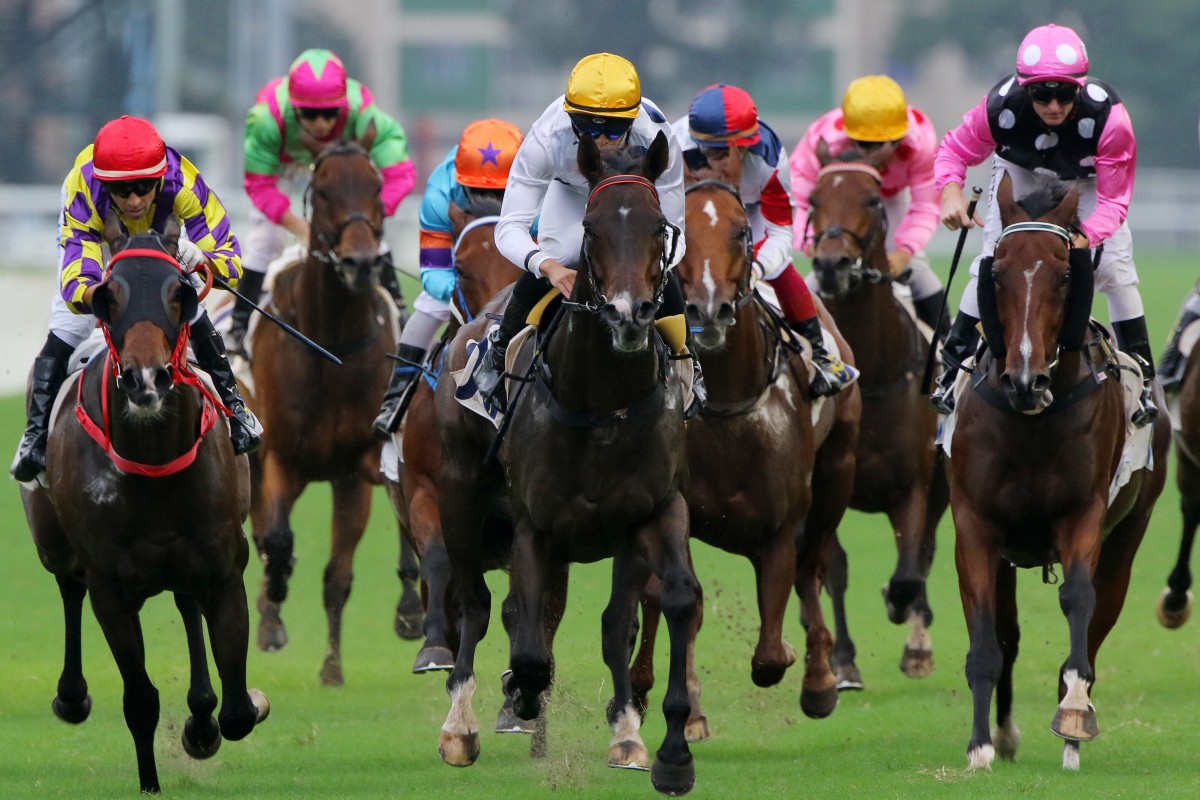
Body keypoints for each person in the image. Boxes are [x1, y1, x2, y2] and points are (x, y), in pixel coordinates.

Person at [10, 115, 260, 482]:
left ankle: (236, 411)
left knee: (192, 311)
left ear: (160, 178)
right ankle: (35, 436)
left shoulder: (185, 185)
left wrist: (201, 261)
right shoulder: (83, 187)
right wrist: (108, 296)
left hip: (162, 255)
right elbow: (76, 279)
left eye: (144, 187)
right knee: (68, 325)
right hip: (104, 258)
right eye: (122, 190)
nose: (134, 200)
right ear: (104, 184)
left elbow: (231, 263)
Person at [932, 23, 1158, 426]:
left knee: (1114, 268)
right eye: (1041, 94)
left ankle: (1143, 380)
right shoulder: (1000, 107)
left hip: (1087, 181)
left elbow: (1113, 203)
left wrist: (1082, 237)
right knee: (994, 258)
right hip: (1019, 169)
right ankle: (952, 369)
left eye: (1065, 93)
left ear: (1080, 88)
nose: (1054, 106)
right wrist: (950, 191)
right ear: (1025, 89)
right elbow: (953, 151)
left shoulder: (1110, 118)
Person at [475, 52, 702, 414]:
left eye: (613, 130)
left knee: (653, 257)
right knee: (565, 253)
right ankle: (499, 349)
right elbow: (510, 228)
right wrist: (547, 266)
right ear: (570, 119)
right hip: (572, 192)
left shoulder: (657, 135)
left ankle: (687, 358)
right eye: (588, 127)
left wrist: (646, 259)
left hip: (632, 197)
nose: (600, 140)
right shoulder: (546, 138)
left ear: (633, 120)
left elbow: (675, 230)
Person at [677, 83, 857, 395]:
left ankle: (821, 354)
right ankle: (676, 340)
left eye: (729, 153)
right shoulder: (674, 148)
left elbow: (779, 232)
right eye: (712, 153)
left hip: (752, 212)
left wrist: (757, 269)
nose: (719, 164)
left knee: (778, 266)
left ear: (745, 146)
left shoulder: (770, 160)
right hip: (693, 211)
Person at [235, 48, 416, 352]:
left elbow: (400, 175)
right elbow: (260, 185)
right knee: (267, 241)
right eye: (309, 114)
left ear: (343, 106)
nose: (320, 123)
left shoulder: (366, 115)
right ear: (294, 109)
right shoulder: (267, 119)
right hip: (283, 165)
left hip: (340, 171)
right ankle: (238, 327)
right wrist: (302, 229)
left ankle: (400, 315)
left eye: (330, 113)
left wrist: (367, 219)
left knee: (370, 241)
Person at [372, 118, 524, 437]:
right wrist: (469, 292)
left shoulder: (534, 187)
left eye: (498, 193)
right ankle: (395, 399)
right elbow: (434, 273)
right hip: (465, 274)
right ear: (460, 182)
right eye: (478, 192)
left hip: (517, 271)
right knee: (427, 312)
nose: (490, 202)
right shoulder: (440, 195)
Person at [790, 75, 947, 339]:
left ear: (898, 140)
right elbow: (800, 202)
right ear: (849, 136)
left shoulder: (920, 141)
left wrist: (904, 253)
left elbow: (926, 207)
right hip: (839, 202)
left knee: (919, 270)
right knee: (820, 274)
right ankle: (801, 349)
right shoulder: (824, 139)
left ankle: (948, 351)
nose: (869, 155)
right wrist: (812, 244)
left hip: (890, 196)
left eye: (878, 146)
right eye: (862, 144)